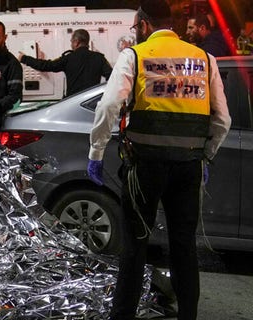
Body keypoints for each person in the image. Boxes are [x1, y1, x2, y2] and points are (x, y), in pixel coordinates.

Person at [87, 1, 231, 319]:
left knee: (135, 247)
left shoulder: (135, 56)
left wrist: (96, 152)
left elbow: (109, 105)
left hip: (144, 169)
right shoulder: (204, 59)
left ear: (143, 25)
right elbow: (223, 119)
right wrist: (205, 155)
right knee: (183, 247)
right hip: (188, 168)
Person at [17, 29, 113, 97]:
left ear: (76, 42)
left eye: (71, 41)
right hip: (91, 102)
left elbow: (46, 66)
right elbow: (112, 77)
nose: (71, 44)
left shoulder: (69, 58)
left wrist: (24, 58)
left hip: (72, 102)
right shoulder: (99, 58)